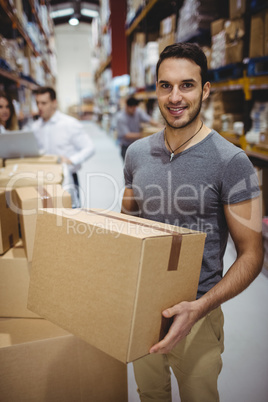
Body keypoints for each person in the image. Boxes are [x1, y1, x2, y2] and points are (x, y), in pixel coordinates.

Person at [121, 43, 263, 402]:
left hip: (199, 315)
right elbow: (127, 228)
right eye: (165, 85)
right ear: (155, 89)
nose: (175, 97)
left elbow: (251, 254)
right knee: (150, 394)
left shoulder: (232, 162)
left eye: (186, 85)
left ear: (205, 90)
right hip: (143, 311)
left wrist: (199, 308)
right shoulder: (136, 154)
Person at [32, 86, 95, 207]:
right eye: (37, 103)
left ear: (54, 103)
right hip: (43, 179)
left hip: (67, 179)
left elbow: (89, 147)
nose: (40, 107)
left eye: (44, 103)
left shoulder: (69, 124)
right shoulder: (35, 127)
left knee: (72, 214)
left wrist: (71, 160)